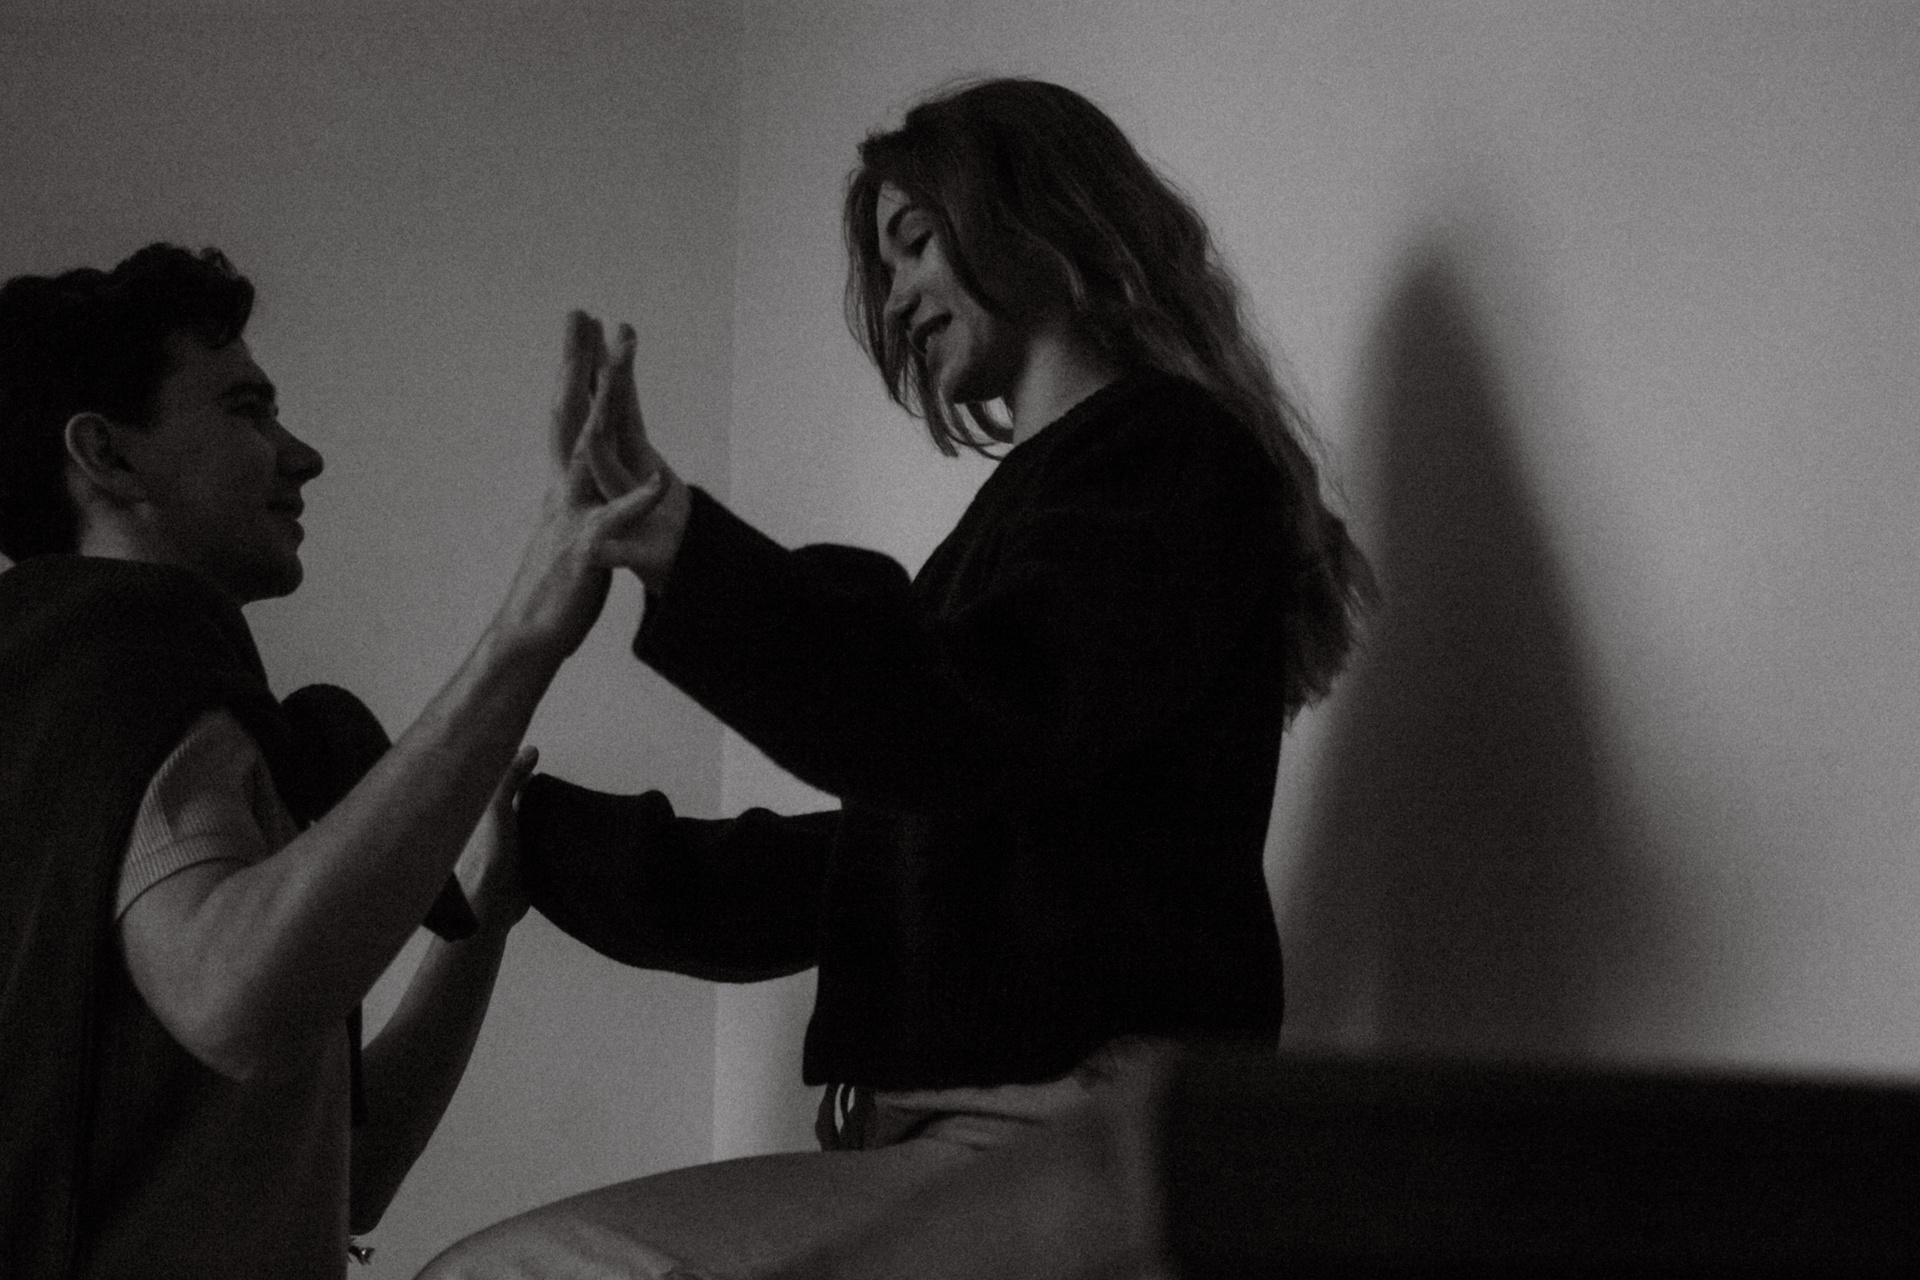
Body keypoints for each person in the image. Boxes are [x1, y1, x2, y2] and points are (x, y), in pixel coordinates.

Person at [422, 77, 1371, 1278]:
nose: (899, 294)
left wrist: (682, 544)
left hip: (1064, 1145)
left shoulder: (1167, 455)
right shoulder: (1065, 517)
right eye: (887, 265)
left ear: (1035, 216)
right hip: (987, 1145)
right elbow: (852, 866)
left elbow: (951, 718)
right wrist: (529, 834)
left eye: (918, 241)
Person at [0, 244, 667, 1278]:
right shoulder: (119, 682)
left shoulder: (73, 715)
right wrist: (530, 624)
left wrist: (482, 915)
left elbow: (347, 1177)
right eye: (247, 410)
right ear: (109, 456)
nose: (302, 456)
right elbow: (237, 1002)